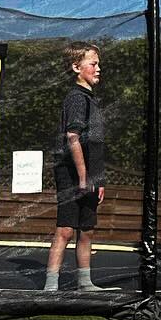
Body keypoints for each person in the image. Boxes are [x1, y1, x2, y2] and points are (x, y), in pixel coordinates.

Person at [44, 43, 106, 292]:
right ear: (76, 67)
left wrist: (98, 180)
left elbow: (95, 145)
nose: (98, 69)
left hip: (89, 176)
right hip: (72, 174)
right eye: (93, 64)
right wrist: (83, 177)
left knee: (87, 229)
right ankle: (50, 286)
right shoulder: (77, 98)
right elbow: (73, 138)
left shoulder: (90, 99)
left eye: (98, 64)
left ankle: (85, 283)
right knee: (66, 229)